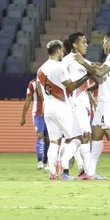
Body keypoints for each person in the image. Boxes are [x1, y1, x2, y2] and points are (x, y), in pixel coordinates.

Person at [75, 30, 110, 181]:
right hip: (103, 101)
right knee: (96, 135)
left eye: (104, 43)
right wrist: (88, 86)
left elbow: (99, 72)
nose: (103, 46)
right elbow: (101, 80)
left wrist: (83, 62)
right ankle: (90, 173)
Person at [36, 39, 91, 180]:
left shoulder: (40, 69)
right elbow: (71, 86)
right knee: (77, 137)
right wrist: (87, 76)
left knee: (54, 141)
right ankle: (63, 163)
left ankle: (52, 172)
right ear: (58, 51)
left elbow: (41, 91)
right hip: (61, 107)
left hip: (48, 108)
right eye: (62, 50)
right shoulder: (60, 67)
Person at [62, 32, 94, 180]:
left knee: (77, 138)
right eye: (83, 42)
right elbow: (70, 86)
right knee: (85, 136)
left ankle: (66, 168)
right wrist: (88, 73)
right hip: (75, 105)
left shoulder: (83, 61)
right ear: (75, 45)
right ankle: (88, 172)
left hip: (83, 104)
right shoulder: (67, 61)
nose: (86, 45)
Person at [20, 78, 49, 170]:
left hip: (50, 114)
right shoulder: (33, 83)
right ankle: (40, 162)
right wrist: (23, 116)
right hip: (37, 114)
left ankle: (45, 162)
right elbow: (28, 100)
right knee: (40, 135)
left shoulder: (52, 81)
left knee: (48, 139)